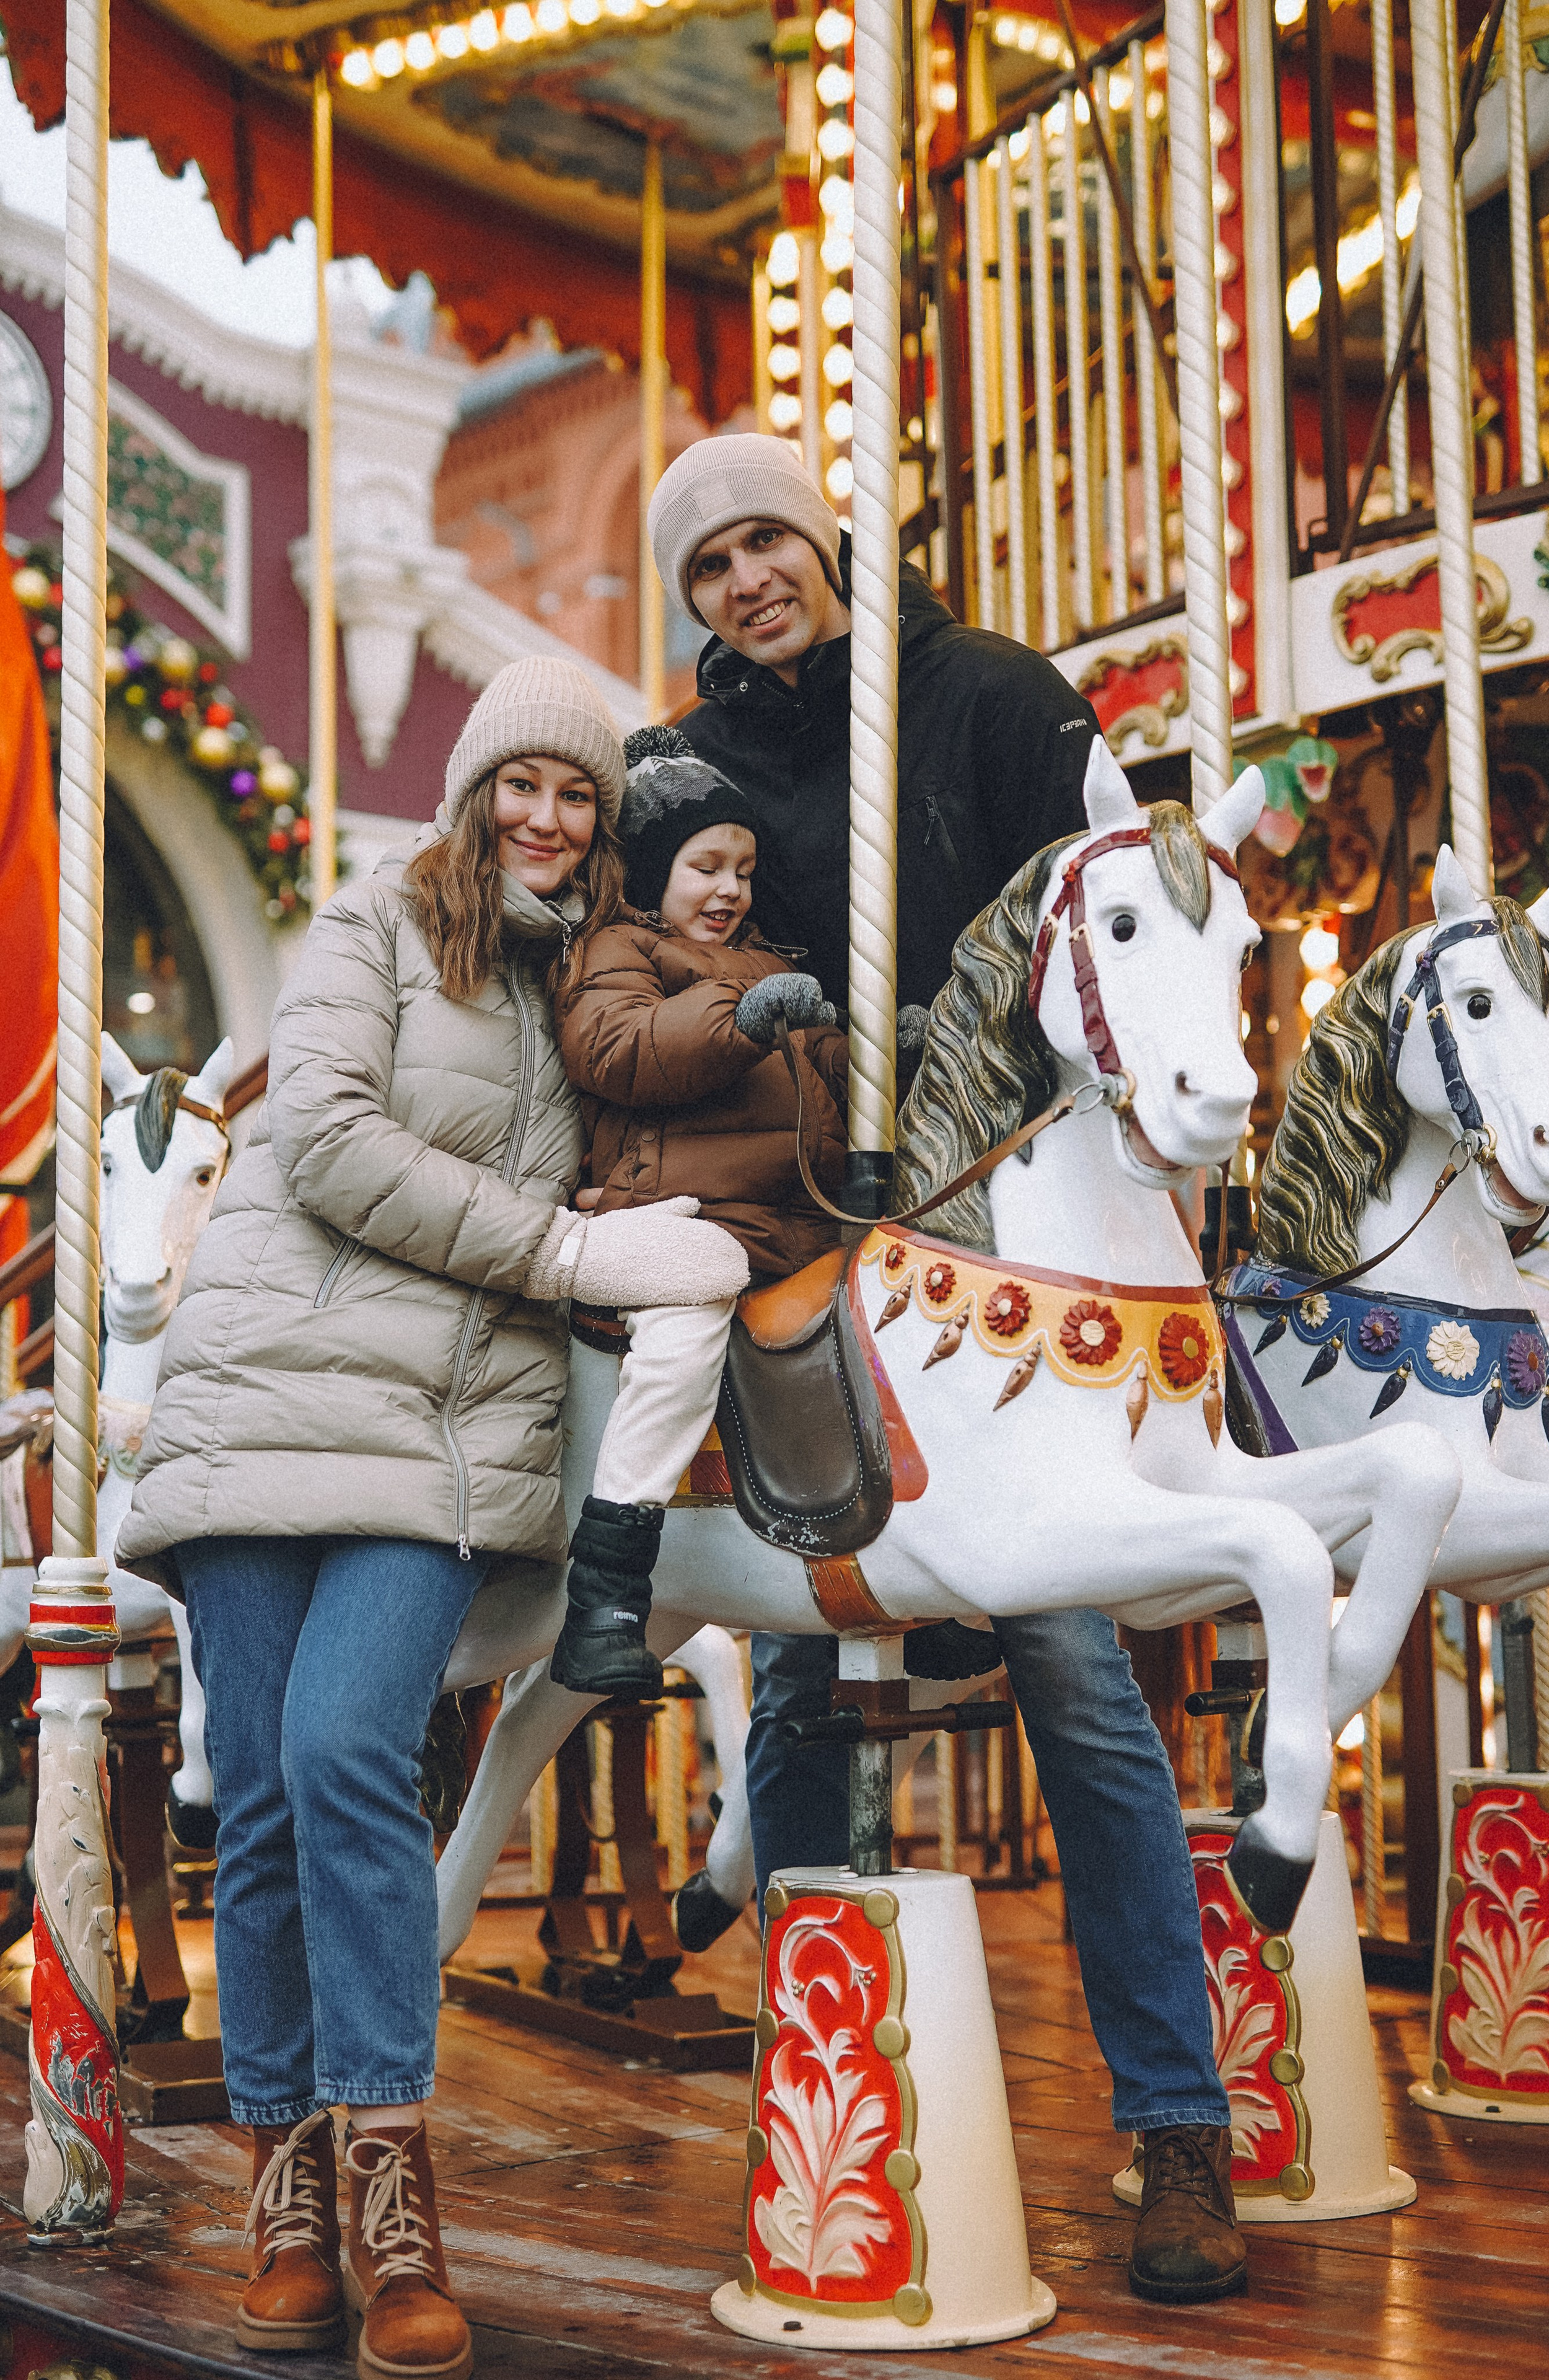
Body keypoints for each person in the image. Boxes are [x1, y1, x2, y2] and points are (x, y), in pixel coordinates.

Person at [646, 434, 1245, 2307]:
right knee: (800, 1639)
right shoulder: (692, 768)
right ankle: (817, 2065)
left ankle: (1177, 2118)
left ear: (827, 542)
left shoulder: (985, 693)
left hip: (1000, 1224)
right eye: (709, 565)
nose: (746, 580)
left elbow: (1120, 916)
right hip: (815, 1210)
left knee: (1072, 1655)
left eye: (767, 540)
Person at [118, 659, 748, 2379]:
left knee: (345, 1752)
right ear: (474, 796)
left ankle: (395, 2193)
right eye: (519, 785)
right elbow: (323, 1140)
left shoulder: (601, 985)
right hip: (267, 1392)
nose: (545, 818)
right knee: (260, 1795)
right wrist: (559, 1248)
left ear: (603, 825)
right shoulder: (373, 925)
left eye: (577, 795)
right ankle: (290, 2201)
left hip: (445, 1428)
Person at [545, 728, 848, 1697]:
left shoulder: (757, 961)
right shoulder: (616, 950)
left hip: (787, 1221)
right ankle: (607, 1589)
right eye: (705, 866)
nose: (730, 890)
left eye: (743, 871)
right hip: (676, 1216)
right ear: (650, 872)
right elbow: (619, 1049)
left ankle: (893, 1550)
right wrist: (739, 1022)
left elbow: (820, 1069)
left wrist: (884, 1052)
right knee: (682, 1341)